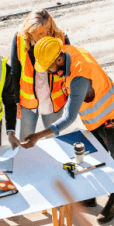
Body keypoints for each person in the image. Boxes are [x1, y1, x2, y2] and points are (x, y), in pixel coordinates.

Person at [22, 37, 114, 224]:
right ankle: (91, 194)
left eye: (48, 66)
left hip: (112, 113)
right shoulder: (67, 51)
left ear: (58, 59)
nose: (48, 70)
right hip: (95, 117)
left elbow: (69, 118)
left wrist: (38, 136)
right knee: (96, 154)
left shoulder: (79, 78)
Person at [11, 9, 70, 141]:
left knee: (54, 141)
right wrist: (16, 103)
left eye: (48, 32)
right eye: (40, 34)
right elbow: (15, 72)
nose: (45, 36)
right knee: (24, 140)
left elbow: (69, 70)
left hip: (53, 101)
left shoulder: (62, 39)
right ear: (30, 32)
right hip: (28, 102)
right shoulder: (19, 40)